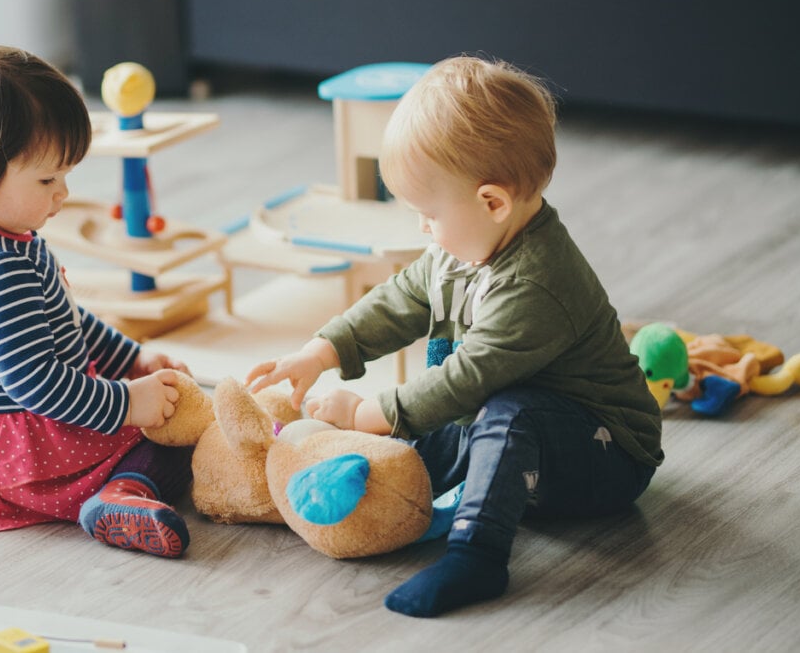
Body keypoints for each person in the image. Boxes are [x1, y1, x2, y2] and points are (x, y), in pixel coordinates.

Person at [246, 55, 663, 616]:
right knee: (422, 445)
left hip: (607, 454)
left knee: (506, 410)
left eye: (428, 213)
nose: (422, 229)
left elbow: (468, 381)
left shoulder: (538, 282)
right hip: (506, 429)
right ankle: (332, 492)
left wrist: (366, 413)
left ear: (492, 202)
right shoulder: (459, 247)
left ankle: (477, 556)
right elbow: (401, 300)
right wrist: (319, 352)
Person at [0, 45, 194, 558]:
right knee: (174, 441)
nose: (62, 194)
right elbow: (37, 383)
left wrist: (130, 357)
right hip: (23, 450)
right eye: (47, 179)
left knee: (161, 412)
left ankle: (116, 485)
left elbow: (62, 318)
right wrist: (128, 403)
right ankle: (119, 493)